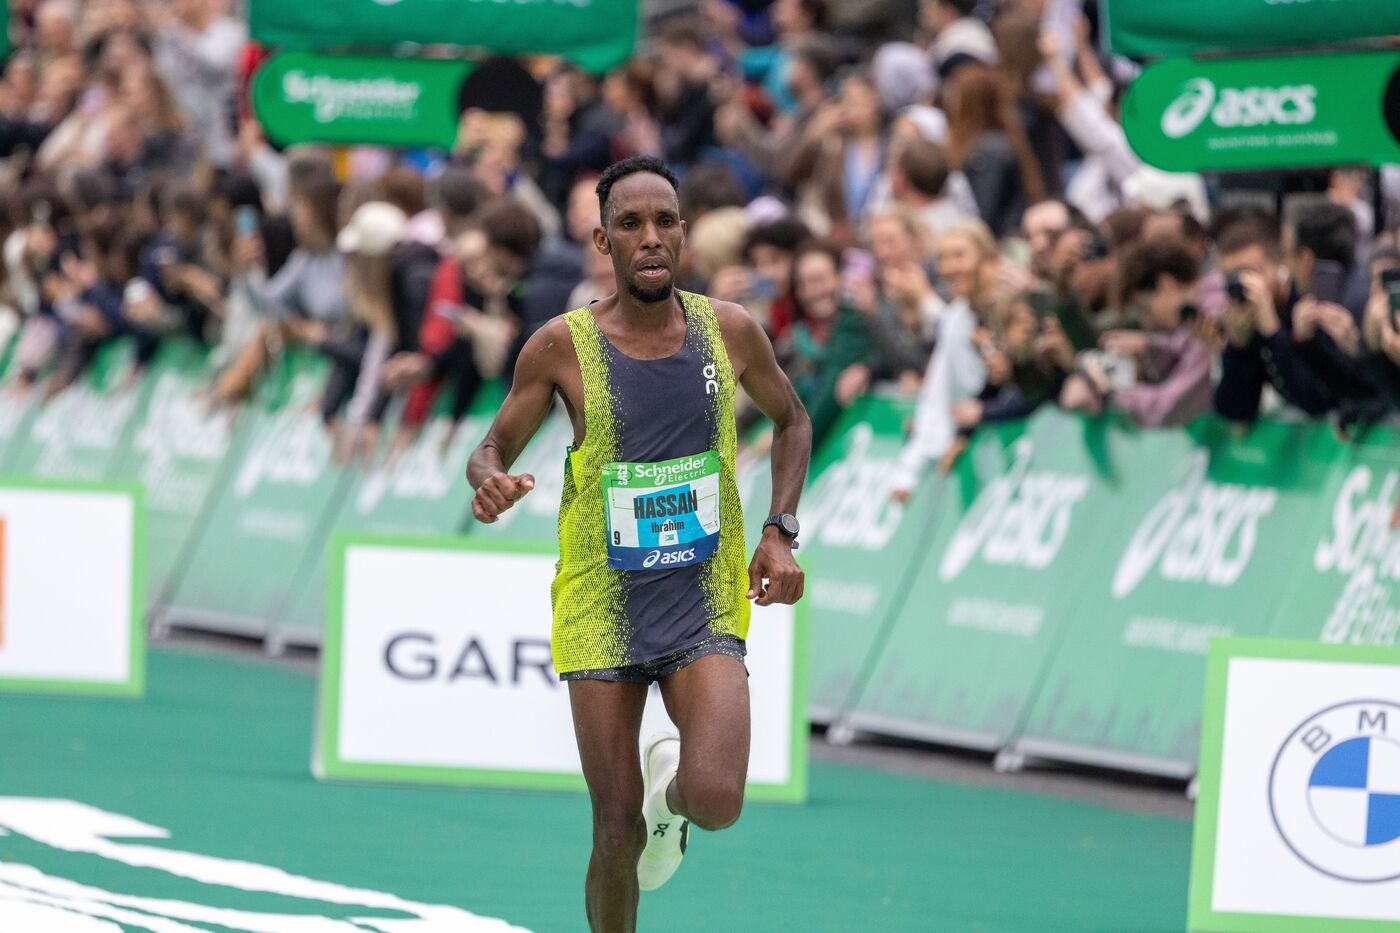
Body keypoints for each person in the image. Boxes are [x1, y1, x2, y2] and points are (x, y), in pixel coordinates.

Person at [466, 155, 810, 933]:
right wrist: (489, 481)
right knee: (616, 832)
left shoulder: (729, 330)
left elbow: (793, 419)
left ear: (684, 233)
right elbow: (490, 448)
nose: (650, 237)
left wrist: (779, 531)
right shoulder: (560, 346)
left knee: (716, 798)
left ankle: (671, 796)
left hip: (703, 593)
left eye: (664, 222)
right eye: (630, 224)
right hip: (603, 603)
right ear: (603, 242)